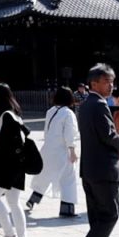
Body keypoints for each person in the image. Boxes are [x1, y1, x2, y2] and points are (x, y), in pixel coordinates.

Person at [77, 63, 119, 237]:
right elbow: (108, 135)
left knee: (97, 218)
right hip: (104, 171)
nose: (111, 86)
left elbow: (98, 134)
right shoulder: (100, 105)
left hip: (89, 170)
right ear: (93, 84)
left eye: (112, 82)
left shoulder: (85, 105)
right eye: (106, 82)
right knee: (109, 216)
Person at [0, 83, 29, 237]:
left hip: (7, 167)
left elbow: (8, 142)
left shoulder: (6, 116)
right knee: (13, 201)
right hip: (17, 166)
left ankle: (10, 236)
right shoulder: (13, 115)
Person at [26, 87, 79, 217]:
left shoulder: (50, 111)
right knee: (68, 179)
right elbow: (69, 134)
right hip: (62, 151)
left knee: (44, 177)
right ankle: (67, 209)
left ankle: (33, 199)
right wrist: (72, 150)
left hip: (47, 149)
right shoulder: (68, 113)